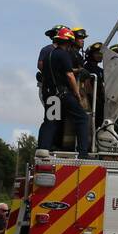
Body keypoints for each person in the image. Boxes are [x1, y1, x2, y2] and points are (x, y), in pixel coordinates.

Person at [37, 27, 90, 156]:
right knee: (82, 118)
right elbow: (69, 75)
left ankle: (43, 150)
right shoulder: (63, 54)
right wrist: (77, 93)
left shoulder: (49, 54)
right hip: (62, 94)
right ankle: (83, 153)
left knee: (50, 121)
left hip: (49, 94)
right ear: (68, 42)